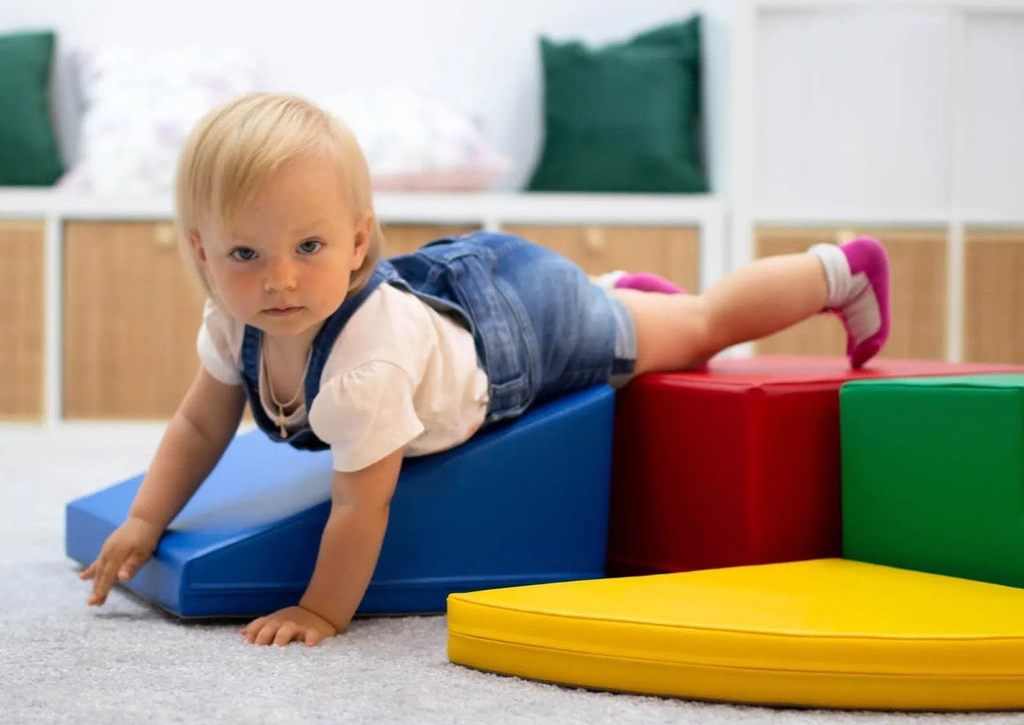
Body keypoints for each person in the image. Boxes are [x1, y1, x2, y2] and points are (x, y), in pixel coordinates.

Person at [80, 92, 891, 647]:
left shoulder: (367, 365)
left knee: (702, 325)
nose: (280, 280)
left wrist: (321, 612)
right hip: (457, 299)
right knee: (651, 317)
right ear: (203, 254)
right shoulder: (234, 320)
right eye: (246, 254)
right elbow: (199, 421)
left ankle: (839, 270)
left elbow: (364, 505)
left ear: (359, 243)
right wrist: (147, 521)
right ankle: (623, 299)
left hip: (523, 332)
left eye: (310, 248)